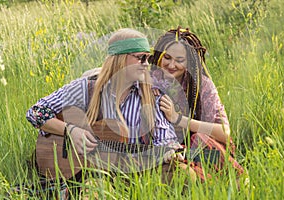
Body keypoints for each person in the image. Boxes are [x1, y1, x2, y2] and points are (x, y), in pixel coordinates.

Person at [26, 28, 192, 198]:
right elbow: (36, 112)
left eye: (148, 58)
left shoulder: (152, 95)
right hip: (93, 173)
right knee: (96, 192)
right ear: (119, 59)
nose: (146, 64)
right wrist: (71, 131)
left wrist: (170, 151)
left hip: (135, 168)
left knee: (186, 176)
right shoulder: (86, 87)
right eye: (141, 58)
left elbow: (165, 138)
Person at [149, 27, 244, 181]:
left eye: (179, 60)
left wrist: (178, 118)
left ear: (189, 62)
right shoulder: (150, 80)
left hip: (205, 150)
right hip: (168, 151)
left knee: (199, 139)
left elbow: (224, 133)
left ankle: (229, 181)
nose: (171, 65)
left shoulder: (202, 85)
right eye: (167, 57)